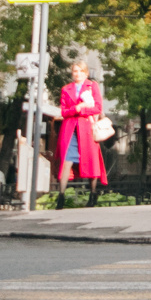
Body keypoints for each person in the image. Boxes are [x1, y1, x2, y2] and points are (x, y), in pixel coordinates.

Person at [56, 61, 107, 203]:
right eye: (75, 71)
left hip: (87, 129)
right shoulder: (66, 89)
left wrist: (82, 109)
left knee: (91, 161)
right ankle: (61, 195)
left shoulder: (92, 86)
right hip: (70, 128)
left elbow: (97, 108)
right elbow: (64, 112)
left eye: (80, 71)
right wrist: (77, 108)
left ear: (86, 73)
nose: (77, 74)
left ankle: (93, 193)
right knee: (67, 160)